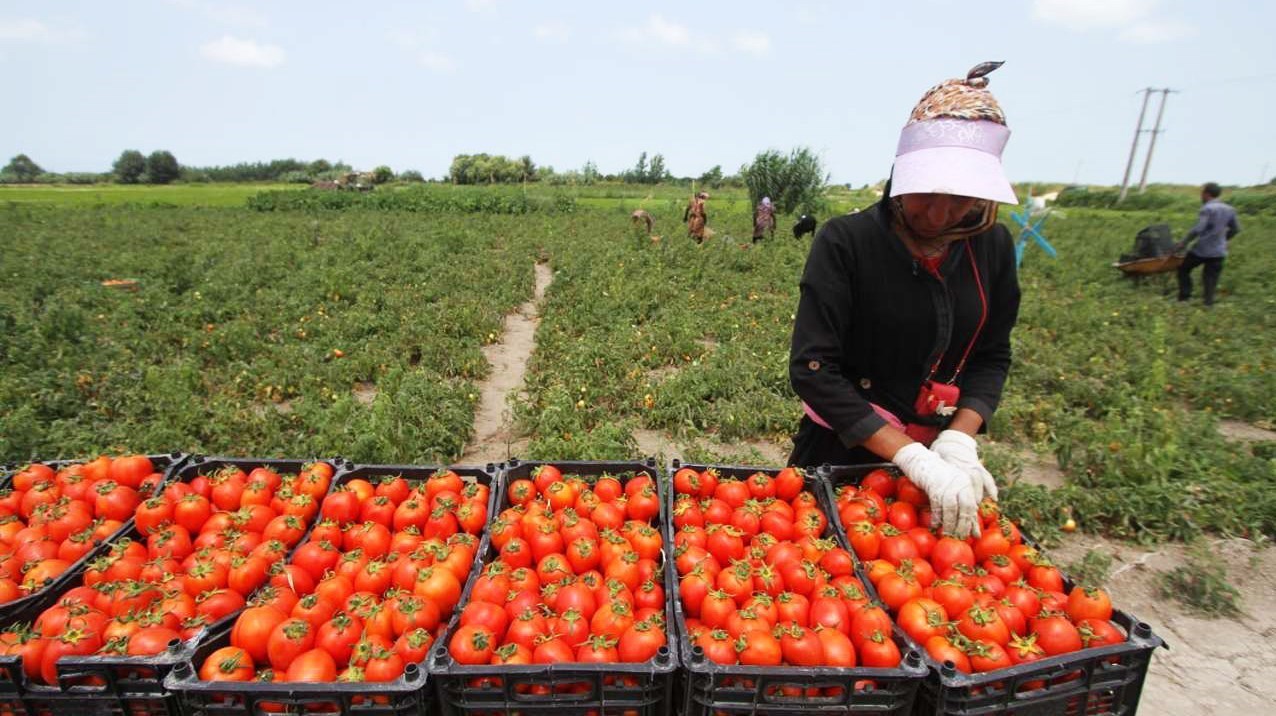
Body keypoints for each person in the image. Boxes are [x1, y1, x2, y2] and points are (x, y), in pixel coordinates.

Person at [788, 61, 1022, 538]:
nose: (939, 213)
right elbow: (813, 369)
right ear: (901, 174)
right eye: (926, 193)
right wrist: (910, 455)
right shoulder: (846, 242)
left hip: (935, 471)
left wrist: (958, 437)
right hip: (840, 449)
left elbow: (992, 355)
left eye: (960, 199)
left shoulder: (992, 248)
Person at [1176, 182, 1240, 306]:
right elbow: (1236, 229)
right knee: (1210, 279)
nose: (1201, 196)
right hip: (1219, 252)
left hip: (1202, 250)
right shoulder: (1230, 209)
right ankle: (1208, 304)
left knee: (1183, 269)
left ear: (1206, 194)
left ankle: (1184, 298)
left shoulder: (1207, 209)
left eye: (1202, 193)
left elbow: (1198, 229)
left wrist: (1183, 243)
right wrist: (1224, 240)